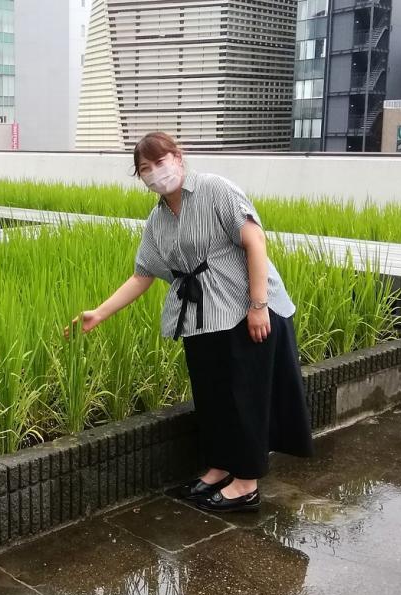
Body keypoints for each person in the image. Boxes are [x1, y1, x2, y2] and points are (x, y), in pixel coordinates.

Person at [72, 131, 314, 512]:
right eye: (145, 169)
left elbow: (255, 241)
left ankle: (247, 482)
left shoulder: (216, 190)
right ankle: (220, 466)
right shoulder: (158, 219)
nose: (156, 172)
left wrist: (258, 305)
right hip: (202, 319)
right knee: (213, 396)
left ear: (178, 157)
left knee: (244, 396)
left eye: (160, 161)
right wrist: (99, 312)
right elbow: (142, 275)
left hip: (242, 310)